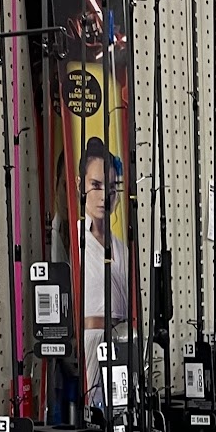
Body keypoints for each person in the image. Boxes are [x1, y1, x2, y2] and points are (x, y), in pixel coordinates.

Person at [78, 135, 129, 401]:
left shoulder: (121, 247)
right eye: (95, 185)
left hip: (122, 343)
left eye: (110, 187)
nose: (103, 196)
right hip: (89, 342)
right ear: (81, 185)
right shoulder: (74, 240)